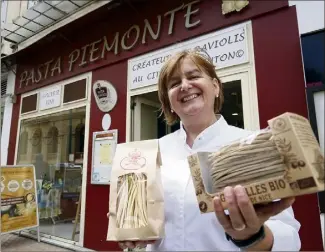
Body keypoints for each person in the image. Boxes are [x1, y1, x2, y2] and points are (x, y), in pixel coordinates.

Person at [110, 47, 301, 251]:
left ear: (216, 87)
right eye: (174, 83)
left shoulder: (251, 144)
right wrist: (131, 231)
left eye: (193, 76)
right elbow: (139, 221)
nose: (184, 85)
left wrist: (253, 236)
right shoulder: (153, 153)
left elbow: (289, 237)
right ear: (169, 102)